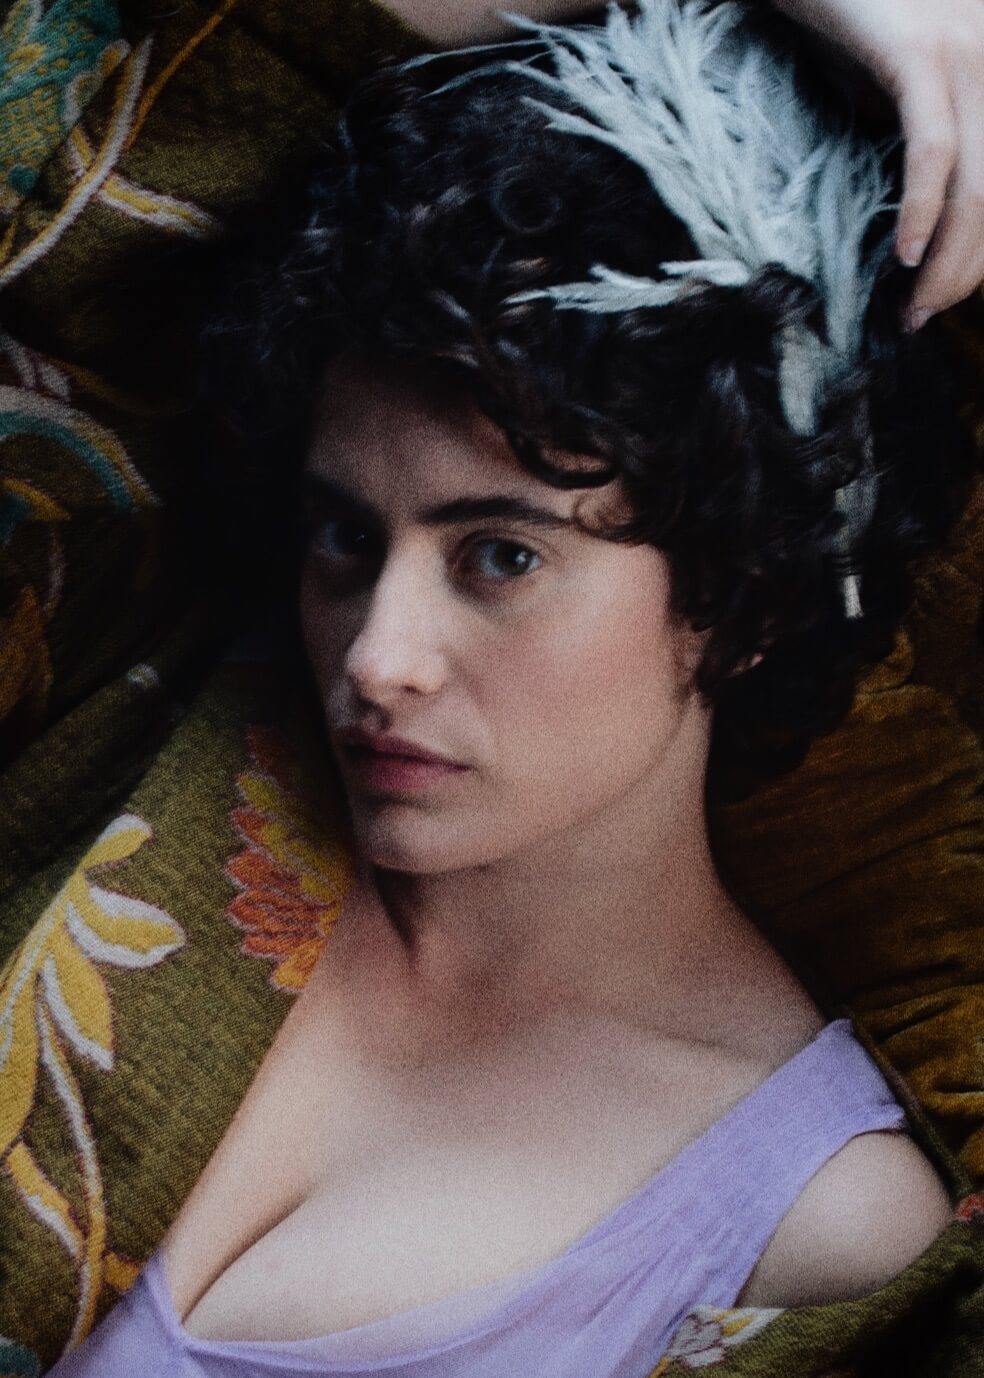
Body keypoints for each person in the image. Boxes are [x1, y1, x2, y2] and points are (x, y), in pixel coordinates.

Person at [45, 0, 976, 1374]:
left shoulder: (807, 1222)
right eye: (345, 536)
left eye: (500, 554)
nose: (377, 655)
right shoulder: (140, 729)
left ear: (753, 591)